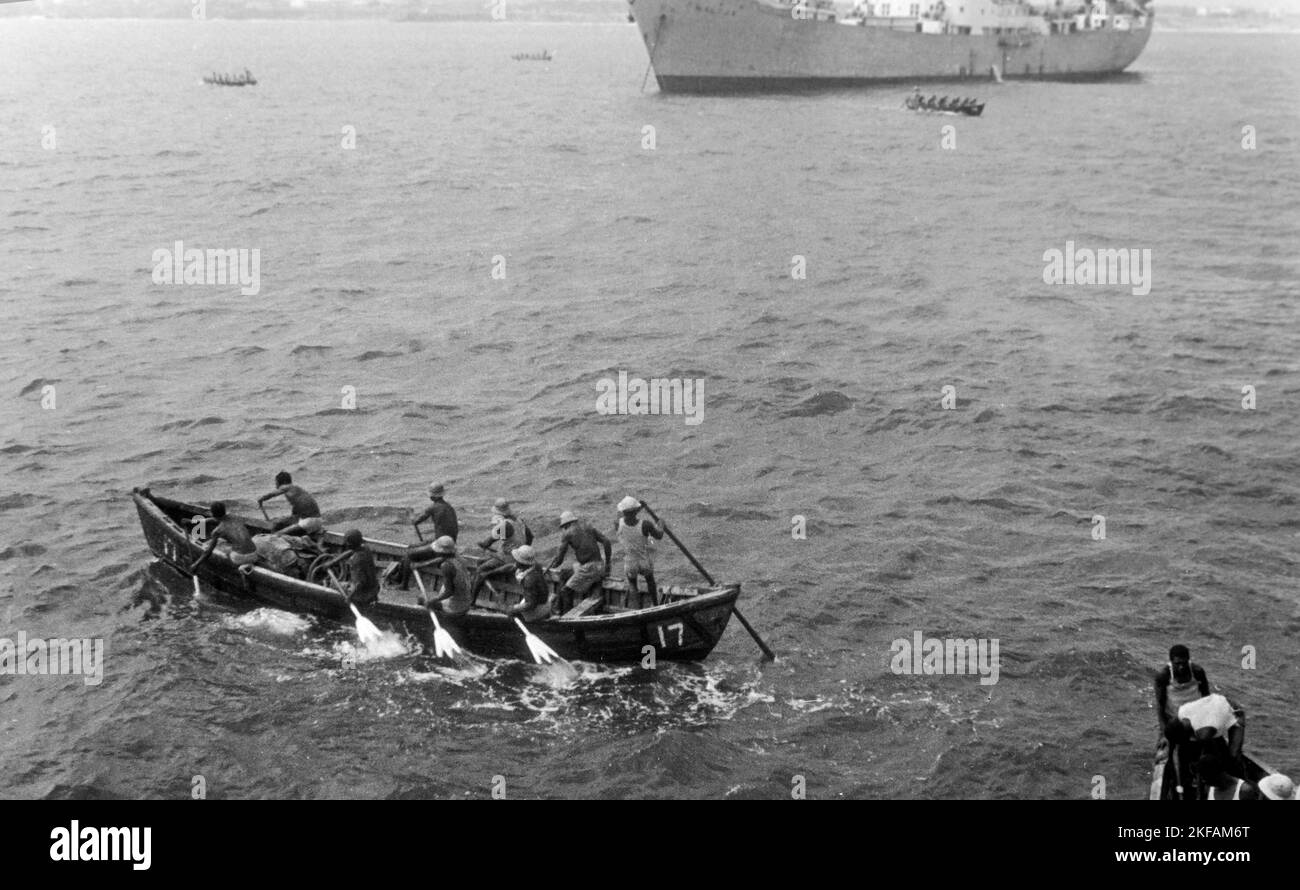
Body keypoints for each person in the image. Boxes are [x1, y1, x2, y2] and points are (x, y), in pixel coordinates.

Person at [547, 510, 611, 614]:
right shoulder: (589, 527)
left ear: (566, 525)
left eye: (564, 527)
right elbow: (607, 542)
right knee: (564, 573)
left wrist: (554, 564)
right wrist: (608, 563)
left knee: (565, 591)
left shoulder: (567, 534)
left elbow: (559, 559)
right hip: (599, 565)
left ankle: (567, 616)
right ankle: (558, 607)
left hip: (589, 568)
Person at [469, 498, 532, 602]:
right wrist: (522, 549)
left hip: (508, 558)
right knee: (480, 561)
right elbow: (530, 537)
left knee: (480, 570)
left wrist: (482, 544)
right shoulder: (519, 520)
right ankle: (483, 583)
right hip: (518, 556)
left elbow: (487, 542)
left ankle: (471, 601)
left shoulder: (504, 525)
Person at [613, 495, 664, 607]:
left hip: (630, 563)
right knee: (650, 581)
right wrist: (661, 525)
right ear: (636, 511)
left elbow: (623, 514)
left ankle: (635, 608)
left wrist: (638, 507)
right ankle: (655, 605)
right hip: (643, 561)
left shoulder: (617, 523)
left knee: (633, 586)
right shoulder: (645, 524)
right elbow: (659, 536)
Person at [189, 501, 260, 573]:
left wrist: (195, 564)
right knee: (233, 542)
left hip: (239, 558)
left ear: (213, 514)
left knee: (220, 545)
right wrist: (194, 521)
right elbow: (218, 519)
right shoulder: (235, 517)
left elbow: (208, 552)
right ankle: (248, 563)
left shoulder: (218, 531)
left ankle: (240, 565)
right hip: (254, 554)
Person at [314, 529, 379, 606]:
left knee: (330, 583)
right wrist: (332, 563)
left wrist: (349, 597)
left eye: (347, 544)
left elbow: (359, 584)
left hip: (362, 594)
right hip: (375, 588)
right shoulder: (365, 548)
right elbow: (350, 552)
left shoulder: (356, 560)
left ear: (349, 544)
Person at [416, 536, 475, 616]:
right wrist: (422, 564)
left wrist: (432, 601)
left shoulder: (446, 566)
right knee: (430, 598)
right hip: (466, 603)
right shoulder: (459, 558)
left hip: (455, 608)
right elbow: (441, 559)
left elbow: (449, 592)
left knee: (421, 599)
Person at [257, 471, 323, 536]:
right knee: (282, 522)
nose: (275, 485)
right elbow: (297, 509)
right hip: (319, 522)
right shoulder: (297, 490)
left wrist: (262, 499)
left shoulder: (287, 487)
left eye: (276, 482)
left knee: (276, 535)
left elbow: (272, 494)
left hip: (308, 522)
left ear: (283, 482)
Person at [504, 545, 552, 621]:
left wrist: (513, 609)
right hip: (544, 602)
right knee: (517, 606)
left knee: (513, 613)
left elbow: (531, 604)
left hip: (538, 609)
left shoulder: (529, 579)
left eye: (517, 559)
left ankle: (530, 620)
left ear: (522, 562)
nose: (515, 561)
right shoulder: (535, 566)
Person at [1196, 753, 1261, 800]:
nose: (1203, 781)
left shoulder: (1244, 791)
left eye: (1205, 778)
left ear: (1217, 774)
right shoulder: (1210, 788)